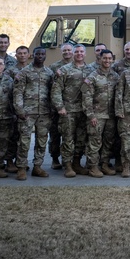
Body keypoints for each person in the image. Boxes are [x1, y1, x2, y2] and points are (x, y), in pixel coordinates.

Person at [12, 47, 54, 179]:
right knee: (24, 142)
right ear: (33, 55)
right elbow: (17, 92)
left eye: (43, 54)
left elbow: (52, 92)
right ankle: (21, 168)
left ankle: (37, 166)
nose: (40, 56)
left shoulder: (49, 72)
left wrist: (52, 109)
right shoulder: (25, 72)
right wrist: (20, 110)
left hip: (44, 112)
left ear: (45, 56)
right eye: (38, 54)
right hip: (27, 113)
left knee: (42, 141)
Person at [51, 44, 89, 178]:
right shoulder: (64, 70)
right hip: (68, 111)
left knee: (81, 139)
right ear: (73, 53)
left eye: (81, 52)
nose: (79, 54)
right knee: (68, 138)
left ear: (85, 53)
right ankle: (67, 165)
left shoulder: (90, 70)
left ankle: (77, 163)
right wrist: (60, 107)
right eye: (76, 51)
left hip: (84, 111)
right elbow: (56, 90)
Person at [81, 50, 119, 178]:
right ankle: (92, 167)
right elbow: (87, 98)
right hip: (97, 115)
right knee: (94, 142)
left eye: (109, 58)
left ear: (113, 59)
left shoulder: (115, 76)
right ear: (99, 59)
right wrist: (91, 115)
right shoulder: (92, 77)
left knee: (108, 142)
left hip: (111, 115)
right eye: (104, 58)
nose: (107, 61)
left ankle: (104, 164)